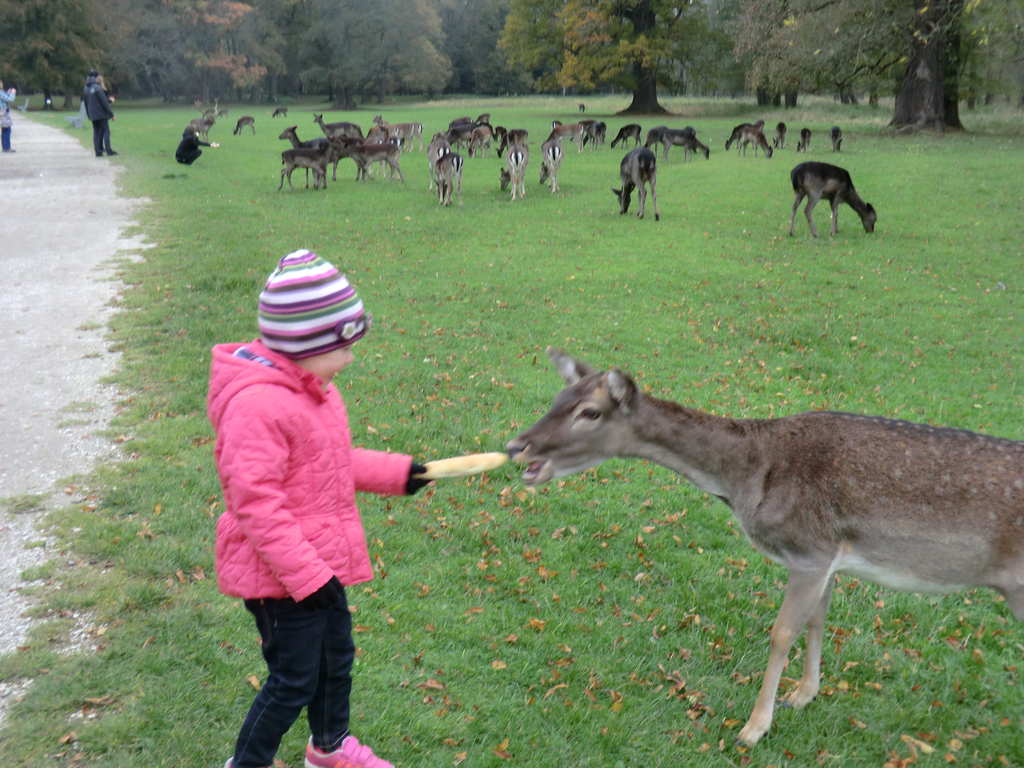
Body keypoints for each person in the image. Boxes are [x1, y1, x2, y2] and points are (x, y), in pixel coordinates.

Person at [208, 249, 430, 768]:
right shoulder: (257, 406)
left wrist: (395, 473)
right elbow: (255, 506)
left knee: (335, 663)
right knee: (293, 679)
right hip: (280, 575)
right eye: (345, 347)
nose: (351, 358)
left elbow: (327, 462)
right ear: (307, 346)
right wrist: (308, 576)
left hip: (316, 566)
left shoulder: (312, 389)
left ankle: (329, 748)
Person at [82, 69, 116, 157]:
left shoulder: (86, 88)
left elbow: (85, 103)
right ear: (96, 77)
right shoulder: (97, 88)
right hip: (101, 114)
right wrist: (111, 114)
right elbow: (104, 102)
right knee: (106, 131)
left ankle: (98, 151)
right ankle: (109, 150)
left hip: (92, 114)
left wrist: (89, 114)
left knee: (96, 132)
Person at [0, 80, 16, 153]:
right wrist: (13, 93)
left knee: (5, 130)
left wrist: (8, 92)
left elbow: (5, 97)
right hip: (3, 113)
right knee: (7, 130)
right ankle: (7, 148)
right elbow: (10, 99)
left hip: (3, 112)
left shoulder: (1, 91)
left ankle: (5, 147)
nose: (2, 84)